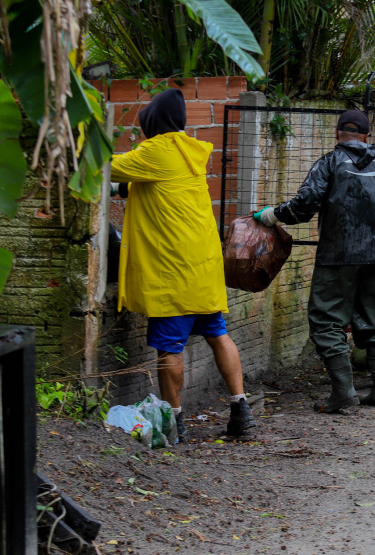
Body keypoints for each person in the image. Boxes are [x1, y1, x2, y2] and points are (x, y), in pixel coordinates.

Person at [110, 88, 256, 442]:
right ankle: (242, 410)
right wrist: (124, 188)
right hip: (204, 266)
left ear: (152, 123)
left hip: (171, 270)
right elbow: (154, 187)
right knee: (217, 333)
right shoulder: (190, 151)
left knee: (169, 347)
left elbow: (102, 166)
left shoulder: (155, 151)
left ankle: (175, 424)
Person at [254, 109, 375, 413]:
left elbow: (304, 206)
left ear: (337, 133)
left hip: (338, 255)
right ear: (368, 136)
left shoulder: (329, 163)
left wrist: (272, 215)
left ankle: (344, 393)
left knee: (326, 319)